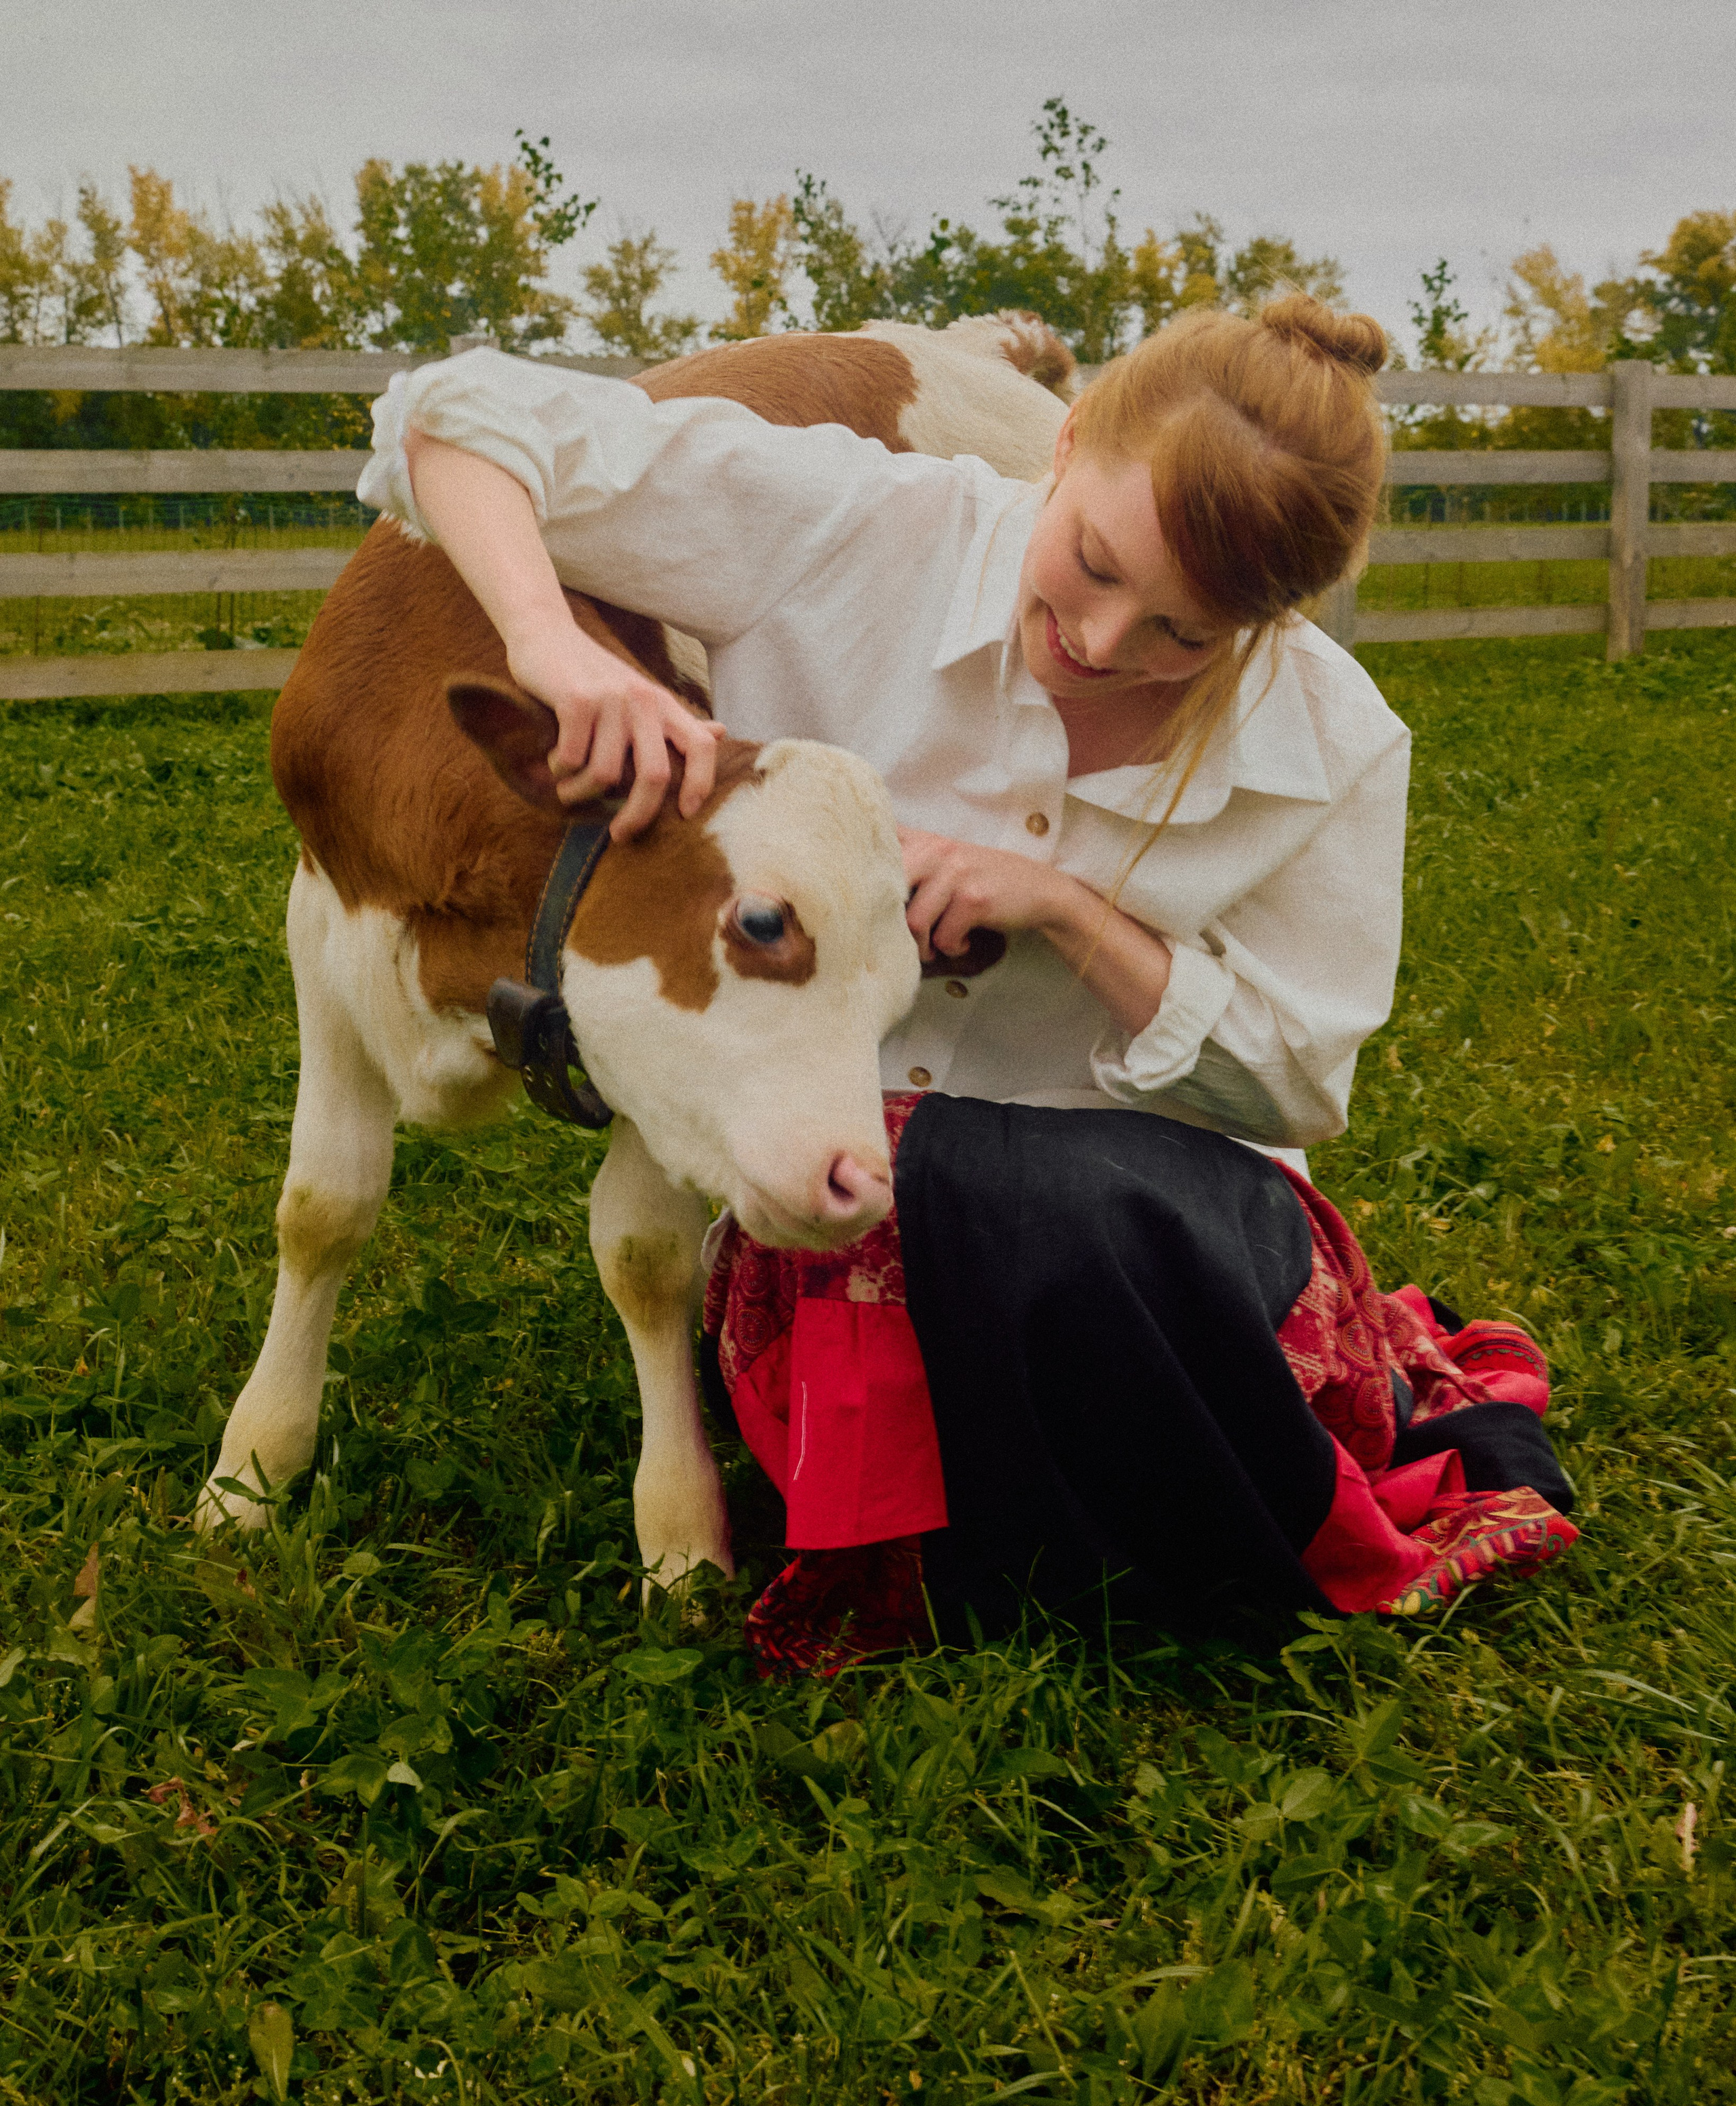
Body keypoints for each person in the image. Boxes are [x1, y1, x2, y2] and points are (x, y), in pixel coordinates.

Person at [357, 298, 1577, 1658]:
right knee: (896, 1199)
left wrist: (1067, 914)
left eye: (1184, 632)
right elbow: (449, 420)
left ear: (1268, 619)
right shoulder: (856, 531)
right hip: (852, 1239)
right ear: (1065, 442)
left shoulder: (1332, 741)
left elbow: (1296, 1083)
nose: (1103, 640)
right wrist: (549, 643)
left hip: (1143, 1261)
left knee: (1051, 1213)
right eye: (1092, 562)